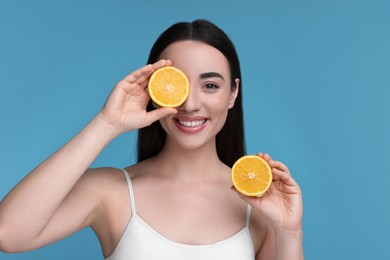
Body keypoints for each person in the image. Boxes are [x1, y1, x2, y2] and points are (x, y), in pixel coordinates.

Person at [0, 19, 304, 259]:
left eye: (210, 85)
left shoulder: (260, 205)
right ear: (154, 90)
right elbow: (8, 233)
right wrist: (107, 123)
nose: (190, 105)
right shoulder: (111, 192)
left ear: (233, 93)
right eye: (177, 85)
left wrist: (289, 232)